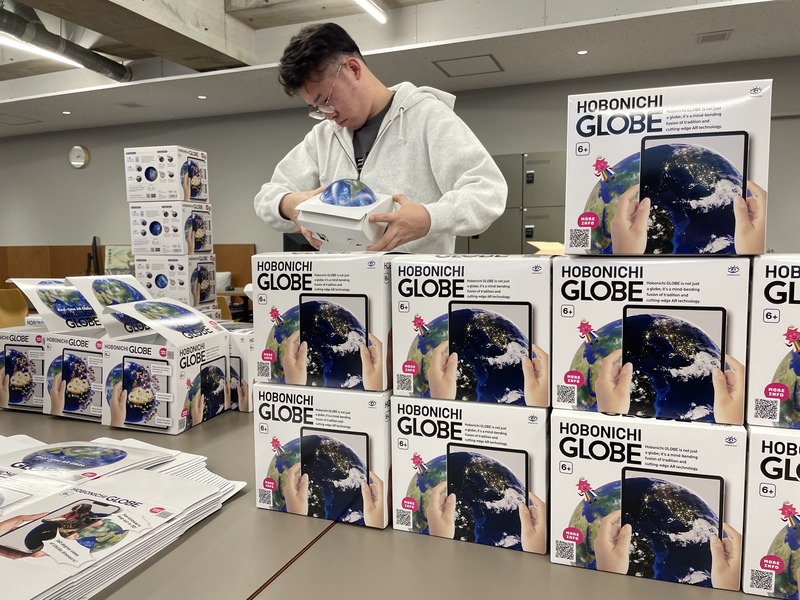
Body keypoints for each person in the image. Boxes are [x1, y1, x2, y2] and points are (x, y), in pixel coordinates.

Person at [254, 23, 507, 253]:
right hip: (341, 282)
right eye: (317, 109)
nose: (328, 115)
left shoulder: (427, 116)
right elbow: (267, 197)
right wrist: (289, 205)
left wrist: (429, 218)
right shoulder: (323, 138)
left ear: (353, 69)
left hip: (414, 283)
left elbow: (487, 191)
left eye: (326, 101)